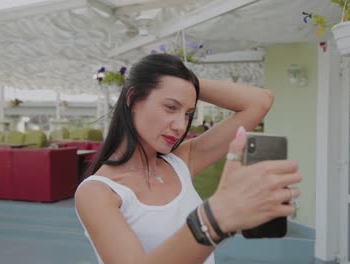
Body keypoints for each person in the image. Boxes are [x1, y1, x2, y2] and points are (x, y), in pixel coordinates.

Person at [75, 54, 301, 264]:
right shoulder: (97, 193)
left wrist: (185, 82)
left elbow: (260, 101)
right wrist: (213, 219)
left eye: (187, 114)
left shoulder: (180, 163)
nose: (181, 125)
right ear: (133, 99)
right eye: (170, 107)